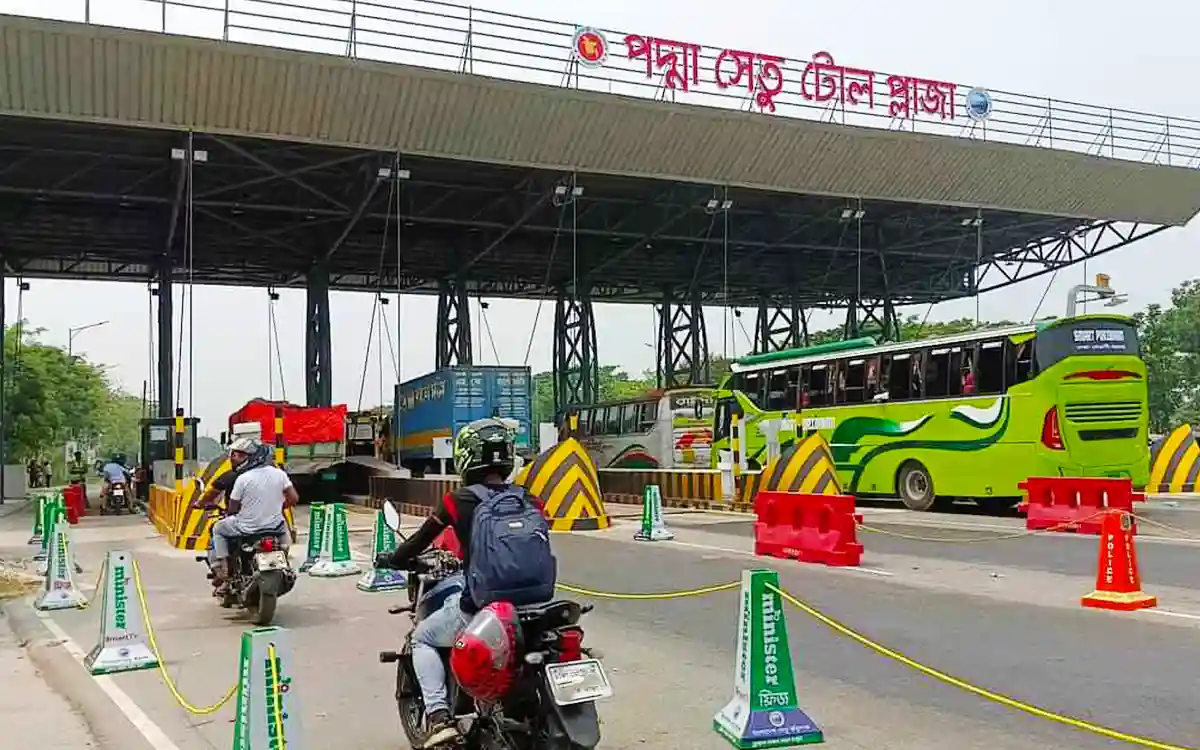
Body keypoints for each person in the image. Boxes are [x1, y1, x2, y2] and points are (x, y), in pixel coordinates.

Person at [376, 418, 555, 747]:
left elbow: (419, 541)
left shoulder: (457, 501)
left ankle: (439, 718)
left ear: (466, 457)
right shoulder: (529, 498)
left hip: (486, 605)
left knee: (422, 638)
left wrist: (395, 559)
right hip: (539, 602)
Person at [210, 438, 298, 595]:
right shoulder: (280, 474)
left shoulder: (243, 479)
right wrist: (278, 506)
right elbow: (293, 499)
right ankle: (284, 562)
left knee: (218, 528)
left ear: (252, 457)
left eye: (241, 455)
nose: (234, 458)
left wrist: (236, 513)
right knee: (284, 528)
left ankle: (224, 569)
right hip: (274, 527)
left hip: (246, 528)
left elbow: (233, 508)